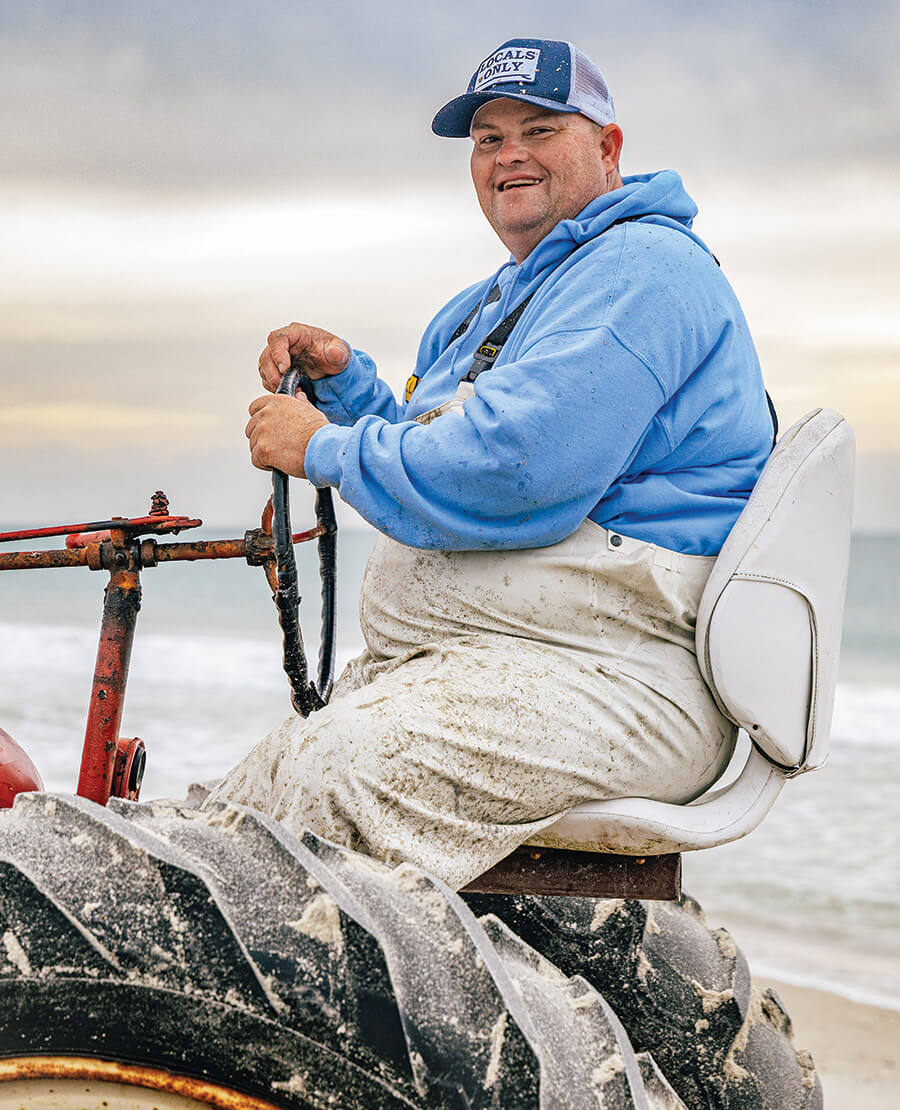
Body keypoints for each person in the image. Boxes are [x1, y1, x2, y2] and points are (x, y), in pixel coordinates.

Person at [206, 38, 774, 889]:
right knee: (237, 812)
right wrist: (351, 395)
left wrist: (321, 447)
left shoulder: (644, 271)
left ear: (608, 148)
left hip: (617, 674)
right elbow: (447, 445)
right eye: (487, 138)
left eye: (539, 129)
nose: (509, 155)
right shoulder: (496, 301)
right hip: (496, 662)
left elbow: (516, 473)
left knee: (338, 776)